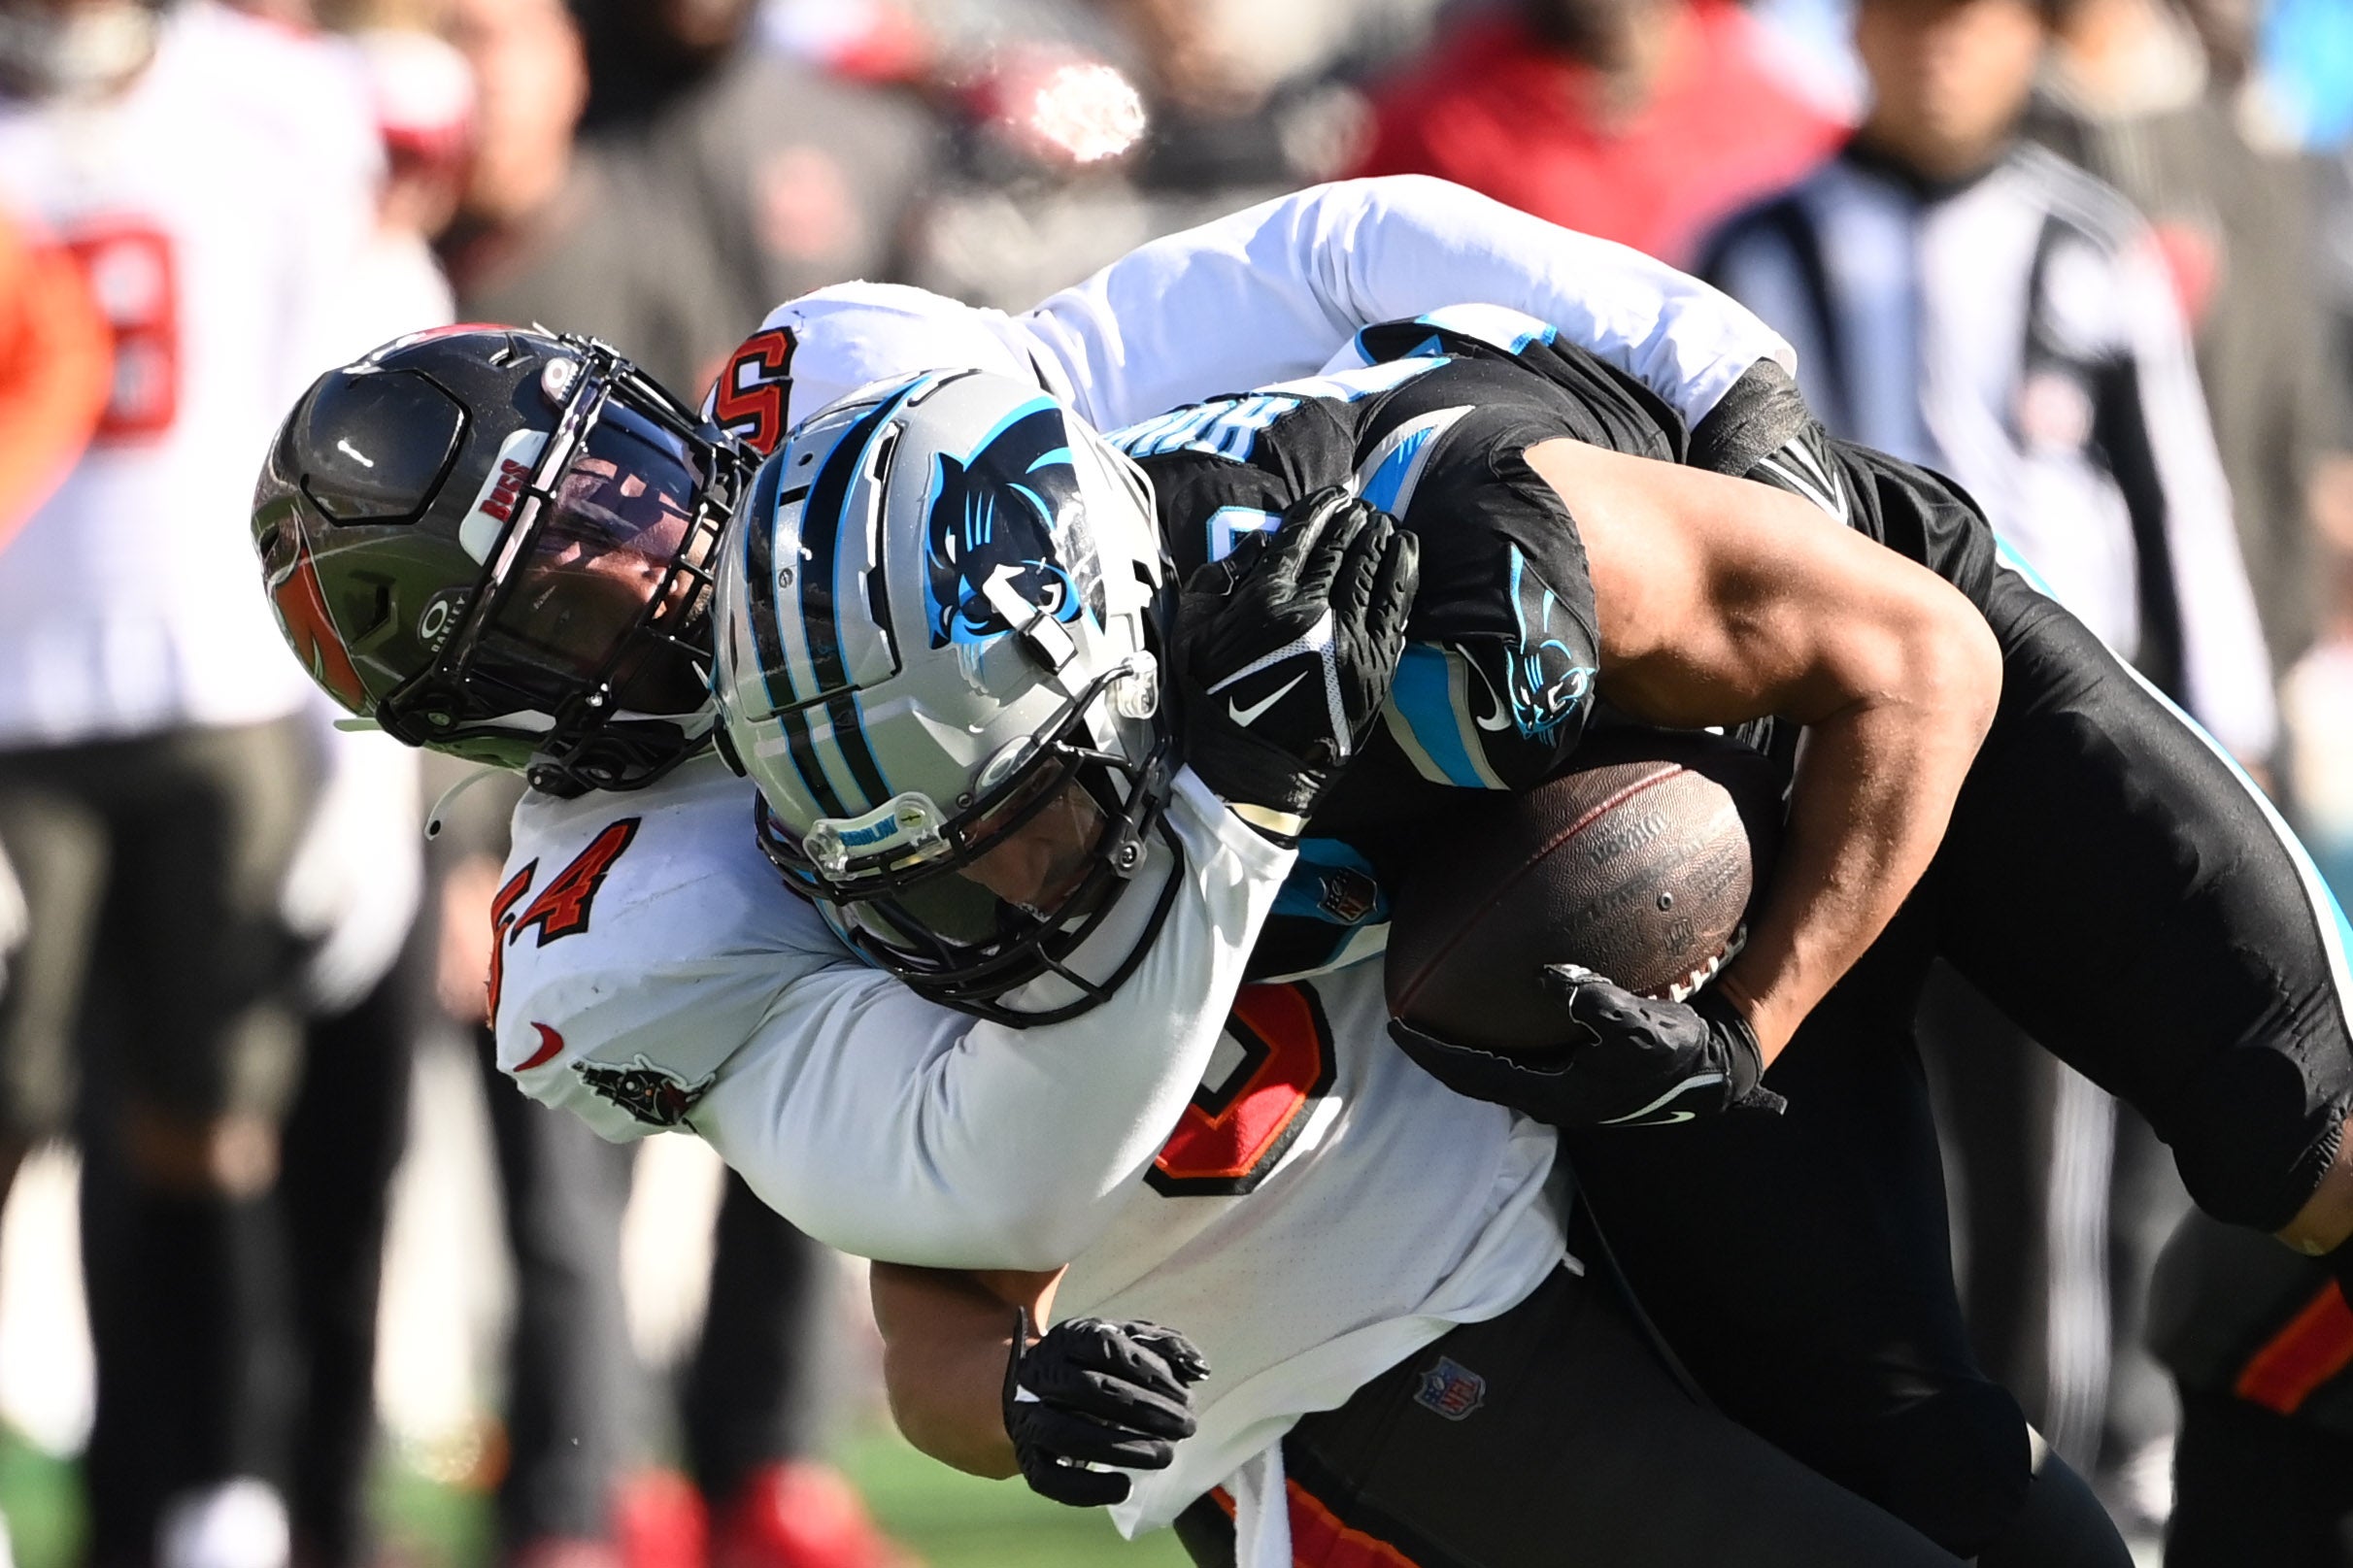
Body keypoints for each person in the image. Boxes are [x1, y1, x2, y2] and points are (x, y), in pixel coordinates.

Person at [0, 0, 378, 1561]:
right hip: (14, 699)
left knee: (212, 1115)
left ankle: (221, 1486)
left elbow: (344, 411)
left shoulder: (280, 103)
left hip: (226, 690)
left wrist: (350, 729)